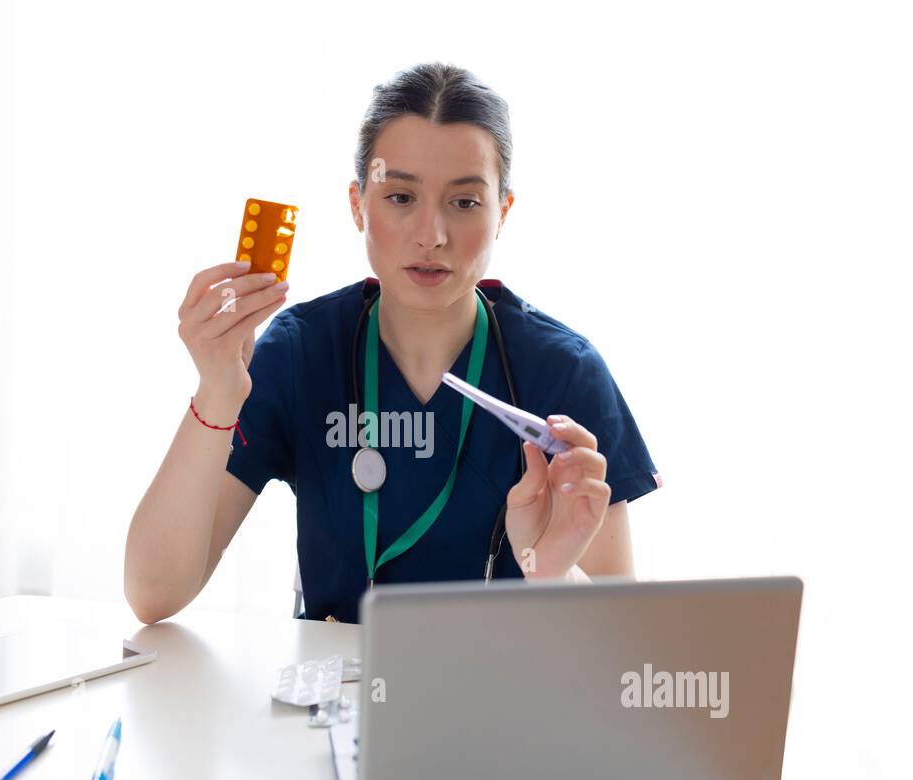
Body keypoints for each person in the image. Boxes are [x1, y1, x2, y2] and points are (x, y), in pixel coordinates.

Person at [126, 62, 661, 624]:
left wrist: (551, 574)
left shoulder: (563, 371)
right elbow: (153, 594)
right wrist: (216, 389)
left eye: (464, 202)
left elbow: (617, 642)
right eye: (401, 196)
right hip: (338, 702)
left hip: (506, 698)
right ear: (358, 205)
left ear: (502, 211)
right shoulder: (300, 353)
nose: (431, 234)